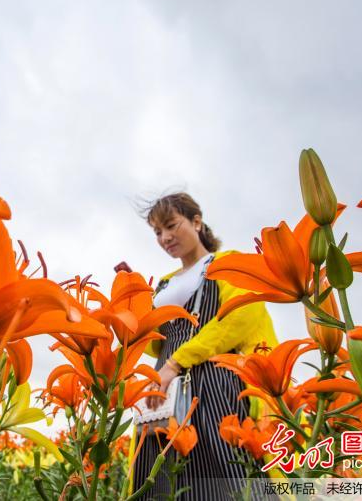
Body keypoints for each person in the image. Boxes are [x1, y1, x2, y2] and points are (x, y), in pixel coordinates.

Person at [132, 192, 278, 500]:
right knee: (159, 481)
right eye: (157, 232)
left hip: (214, 385)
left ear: (197, 222)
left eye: (171, 225)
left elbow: (240, 318)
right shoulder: (163, 283)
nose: (165, 237)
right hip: (164, 392)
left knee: (226, 476)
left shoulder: (227, 263)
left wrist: (175, 363)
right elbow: (156, 345)